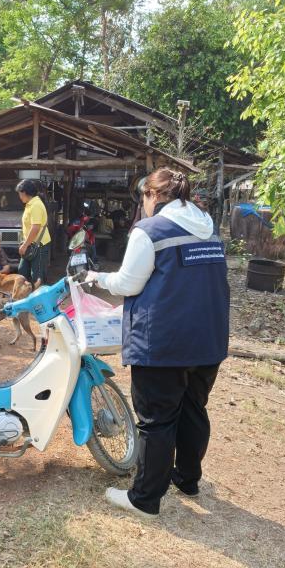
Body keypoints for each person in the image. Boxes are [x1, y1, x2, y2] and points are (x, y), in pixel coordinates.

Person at [86, 167, 230, 518]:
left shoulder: (149, 230)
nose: (144, 204)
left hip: (164, 342)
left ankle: (145, 499)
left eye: (144, 197)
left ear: (153, 195)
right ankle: (188, 479)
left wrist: (96, 277)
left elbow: (128, 283)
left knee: (156, 420)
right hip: (207, 337)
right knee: (193, 409)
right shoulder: (207, 225)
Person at [16, 179, 51, 284]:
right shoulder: (30, 204)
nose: (19, 196)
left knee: (37, 277)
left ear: (24, 192)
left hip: (39, 245)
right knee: (22, 272)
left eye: (19, 193)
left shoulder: (36, 205)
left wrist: (24, 245)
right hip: (30, 245)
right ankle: (27, 293)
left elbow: (35, 228)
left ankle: (39, 294)